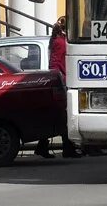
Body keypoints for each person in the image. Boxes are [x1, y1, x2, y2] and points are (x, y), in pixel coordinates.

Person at [36, 17, 83, 159]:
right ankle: (66, 148)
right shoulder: (61, 43)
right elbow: (57, 62)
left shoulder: (58, 41)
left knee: (58, 117)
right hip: (61, 81)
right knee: (62, 117)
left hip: (59, 79)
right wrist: (62, 78)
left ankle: (45, 146)